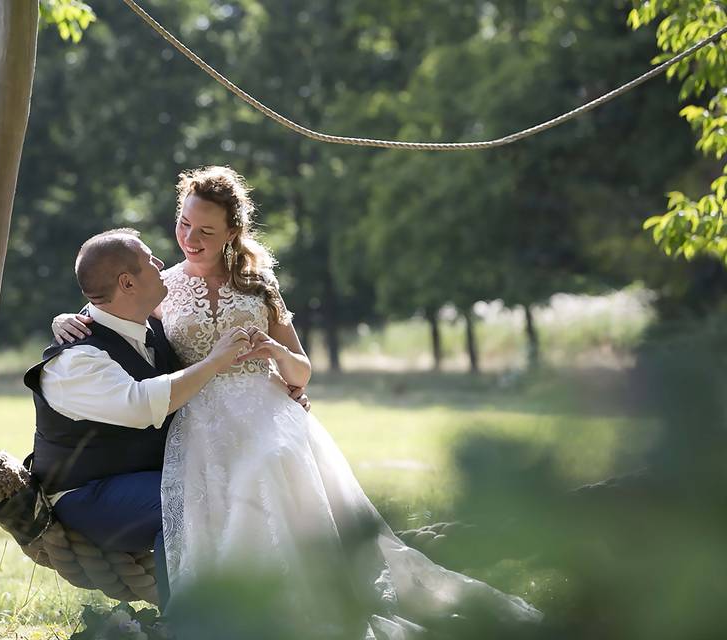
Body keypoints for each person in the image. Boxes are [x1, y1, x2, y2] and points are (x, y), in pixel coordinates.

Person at [53, 167, 541, 636]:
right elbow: (117, 307)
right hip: (200, 418)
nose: (190, 238)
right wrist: (67, 320)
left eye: (205, 229)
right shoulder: (164, 285)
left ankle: (308, 607)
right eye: (183, 223)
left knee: (277, 462)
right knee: (231, 496)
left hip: (267, 409)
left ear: (231, 231)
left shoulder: (259, 284)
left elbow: (302, 372)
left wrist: (276, 352)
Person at [25, 228, 257, 606]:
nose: (161, 264)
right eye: (150, 260)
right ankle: (184, 626)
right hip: (84, 493)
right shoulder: (75, 361)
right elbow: (139, 403)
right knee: (186, 500)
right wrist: (215, 361)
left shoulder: (152, 327)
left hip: (143, 477)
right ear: (128, 282)